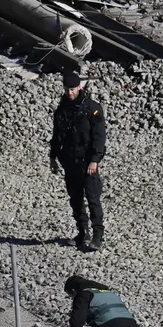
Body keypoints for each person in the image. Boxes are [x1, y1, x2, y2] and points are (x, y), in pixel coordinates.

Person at [50, 70, 106, 251]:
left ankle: (98, 234)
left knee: (93, 198)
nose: (70, 92)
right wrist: (53, 157)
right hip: (69, 161)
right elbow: (57, 135)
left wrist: (94, 160)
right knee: (75, 199)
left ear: (79, 87)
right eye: (67, 89)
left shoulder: (92, 108)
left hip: (87, 162)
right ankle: (83, 232)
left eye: (73, 89)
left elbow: (99, 137)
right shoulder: (61, 109)